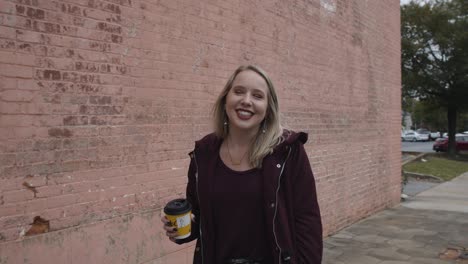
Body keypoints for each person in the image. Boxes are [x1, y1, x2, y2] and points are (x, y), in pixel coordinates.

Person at [161, 65, 322, 264]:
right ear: (225, 99)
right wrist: (180, 229)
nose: (246, 101)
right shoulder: (204, 153)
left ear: (268, 107)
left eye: (257, 96)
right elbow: (199, 218)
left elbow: (307, 221)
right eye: (238, 92)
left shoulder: (288, 151)